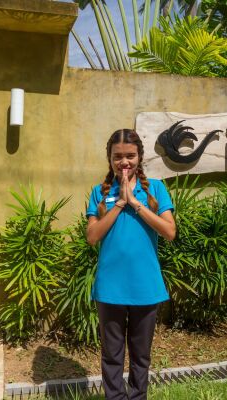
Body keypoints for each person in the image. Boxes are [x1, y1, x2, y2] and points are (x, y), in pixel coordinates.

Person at [86, 129, 176, 400]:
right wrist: (119, 203)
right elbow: (92, 236)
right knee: (111, 357)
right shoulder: (99, 193)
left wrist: (135, 202)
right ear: (110, 158)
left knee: (141, 357)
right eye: (118, 157)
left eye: (130, 156)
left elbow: (170, 232)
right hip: (110, 288)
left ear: (139, 157)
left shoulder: (156, 189)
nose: (124, 162)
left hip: (145, 287)